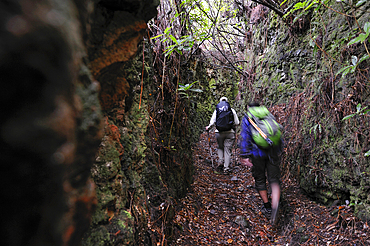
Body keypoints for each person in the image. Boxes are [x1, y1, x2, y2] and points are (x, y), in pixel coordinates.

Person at [239, 102, 283, 225]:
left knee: (260, 178)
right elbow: (277, 132)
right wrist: (279, 149)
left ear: (248, 108)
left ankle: (267, 206)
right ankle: (276, 206)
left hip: (257, 153)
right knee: (274, 179)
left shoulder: (248, 118)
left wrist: (244, 155)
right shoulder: (268, 114)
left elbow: (245, 136)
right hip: (272, 151)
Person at [205, 96, 239, 174]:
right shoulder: (231, 110)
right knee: (227, 150)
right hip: (230, 132)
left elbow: (212, 122)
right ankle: (226, 168)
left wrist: (208, 128)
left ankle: (220, 161)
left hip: (219, 133)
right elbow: (237, 122)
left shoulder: (217, 110)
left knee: (220, 147)